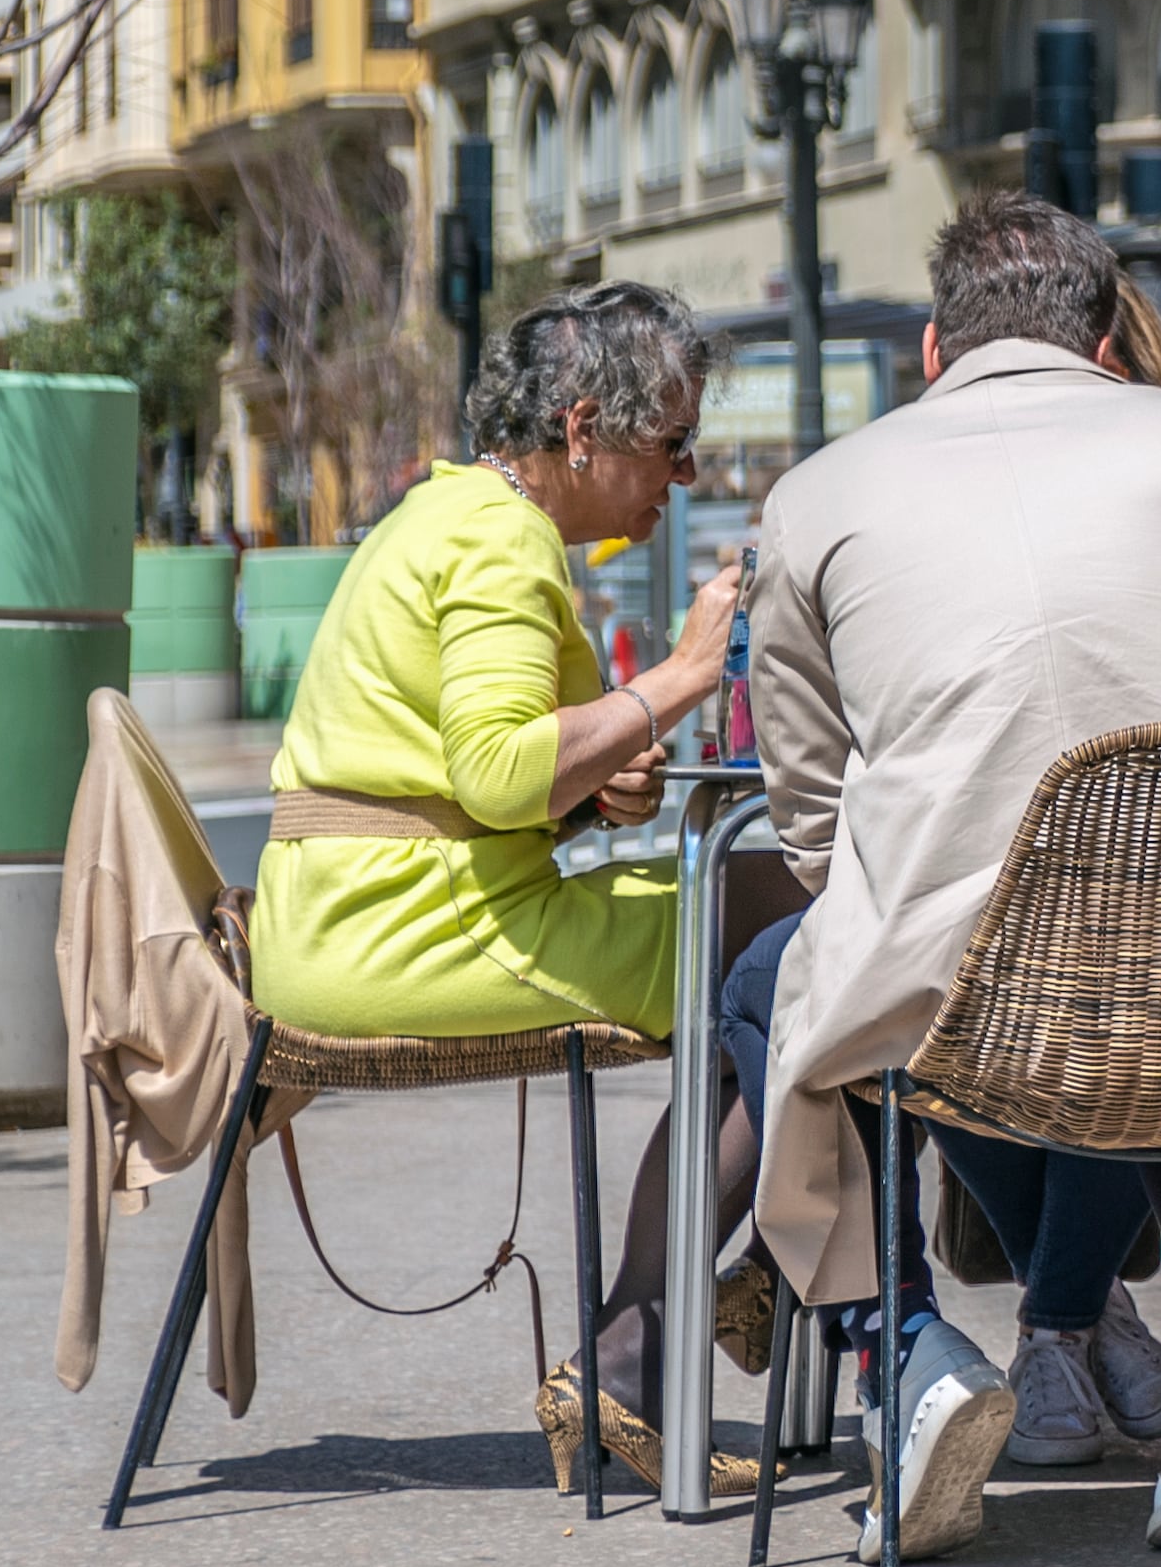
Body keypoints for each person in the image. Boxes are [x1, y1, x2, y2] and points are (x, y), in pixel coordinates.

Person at [733, 195, 1161, 1559]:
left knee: (767, 988)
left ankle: (904, 1358)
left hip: (960, 988)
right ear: (1105, 340)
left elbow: (805, 812)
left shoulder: (815, 496)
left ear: (932, 346)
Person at [248, 283, 791, 1497]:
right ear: (585, 425)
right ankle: (679, 1318)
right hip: (411, 925)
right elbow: (494, 773)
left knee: (766, 922)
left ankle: (707, 1293)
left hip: (359, 908)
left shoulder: (444, 512)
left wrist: (599, 777)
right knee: (800, 943)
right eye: (672, 445)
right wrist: (686, 677)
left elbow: (472, 762)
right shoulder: (500, 539)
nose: (686, 476)